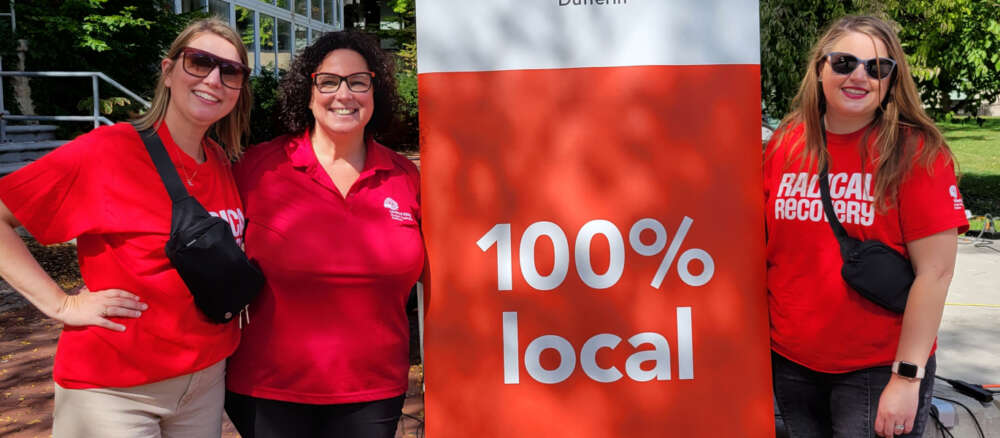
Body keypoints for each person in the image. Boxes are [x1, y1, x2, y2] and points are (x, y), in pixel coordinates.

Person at [0, 18, 252, 437]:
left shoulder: (220, 160)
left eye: (230, 71)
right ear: (168, 71)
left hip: (205, 382)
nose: (213, 79)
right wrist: (60, 304)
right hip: (115, 391)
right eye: (199, 62)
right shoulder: (109, 150)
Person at [764, 15, 969, 438]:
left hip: (877, 370)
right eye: (844, 63)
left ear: (892, 81)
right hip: (791, 363)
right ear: (820, 68)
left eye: (877, 68)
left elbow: (936, 273)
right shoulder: (787, 143)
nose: (859, 76)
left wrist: (907, 378)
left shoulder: (917, 154)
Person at [224, 30, 423, 438]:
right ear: (308, 91)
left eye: (358, 82)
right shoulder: (257, 169)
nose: (344, 94)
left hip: (374, 392)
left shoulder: (406, 179)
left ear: (376, 91)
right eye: (328, 82)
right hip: (269, 391)